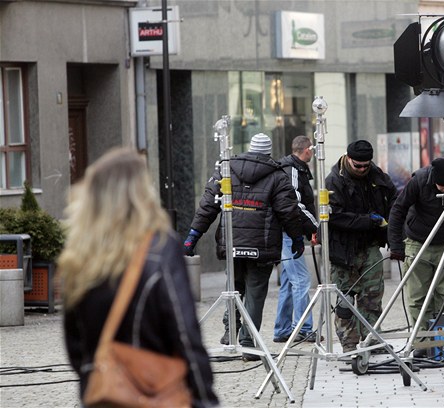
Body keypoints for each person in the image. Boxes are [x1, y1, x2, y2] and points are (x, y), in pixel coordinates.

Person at [58, 148, 219, 407]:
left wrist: (101, 378)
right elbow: (185, 332)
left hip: (102, 396)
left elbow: (76, 347)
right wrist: (205, 397)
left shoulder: (78, 258)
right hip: (156, 392)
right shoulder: (161, 248)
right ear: (142, 193)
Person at [183, 133, 304, 361]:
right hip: (263, 245)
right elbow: (288, 212)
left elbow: (208, 204)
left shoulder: (226, 169)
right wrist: (298, 238)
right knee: (255, 293)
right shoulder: (278, 176)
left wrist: (193, 236)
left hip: (232, 242)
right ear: (268, 153)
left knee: (233, 286)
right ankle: (248, 343)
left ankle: (230, 331)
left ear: (249, 149)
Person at [325, 139, 398, 353]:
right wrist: (368, 220)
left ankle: (372, 340)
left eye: (366, 165)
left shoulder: (378, 177)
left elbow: (395, 199)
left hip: (370, 246)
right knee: (345, 301)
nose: (363, 169)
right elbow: (334, 216)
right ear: (348, 159)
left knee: (372, 297)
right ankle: (349, 344)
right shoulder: (333, 181)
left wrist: (389, 223)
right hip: (343, 250)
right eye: (358, 166)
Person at [387, 157, 444, 356]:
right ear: (433, 179)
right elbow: (397, 211)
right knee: (417, 296)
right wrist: (396, 246)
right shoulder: (419, 181)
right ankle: (422, 343)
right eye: (441, 186)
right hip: (417, 242)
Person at [273, 135, 319, 343]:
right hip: (288, 233)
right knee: (301, 280)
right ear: (307, 149)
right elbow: (295, 203)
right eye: (313, 149)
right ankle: (303, 328)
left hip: (289, 232)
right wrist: (314, 225)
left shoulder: (296, 168)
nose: (314, 153)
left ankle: (282, 329)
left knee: (289, 282)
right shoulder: (292, 169)